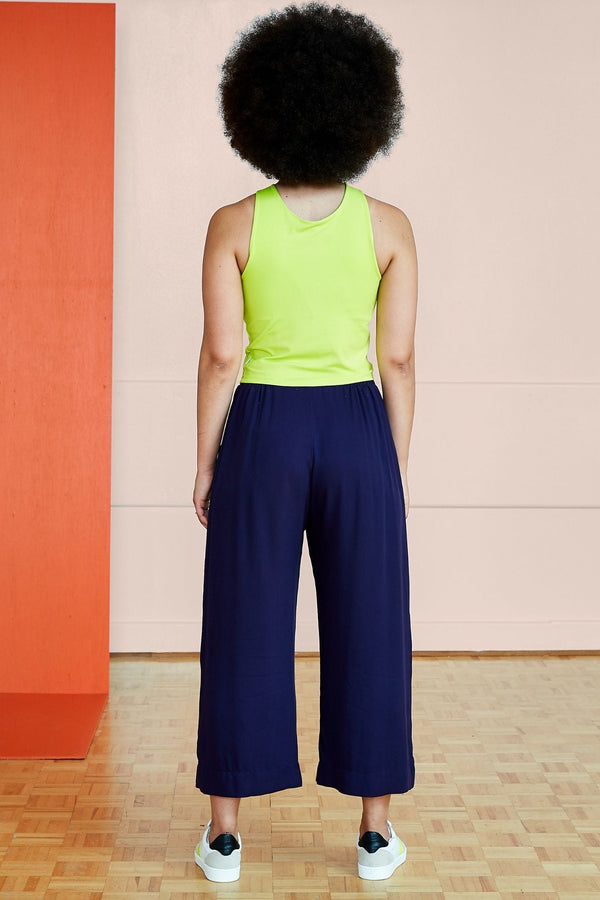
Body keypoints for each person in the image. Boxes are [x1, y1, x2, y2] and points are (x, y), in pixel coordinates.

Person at [192, 1, 418, 883]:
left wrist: (207, 460)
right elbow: (396, 359)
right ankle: (375, 833)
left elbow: (223, 355)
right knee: (372, 623)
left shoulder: (234, 223)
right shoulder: (388, 225)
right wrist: (390, 467)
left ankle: (224, 836)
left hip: (264, 428)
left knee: (243, 621)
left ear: (260, 111)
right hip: (357, 427)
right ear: (364, 112)